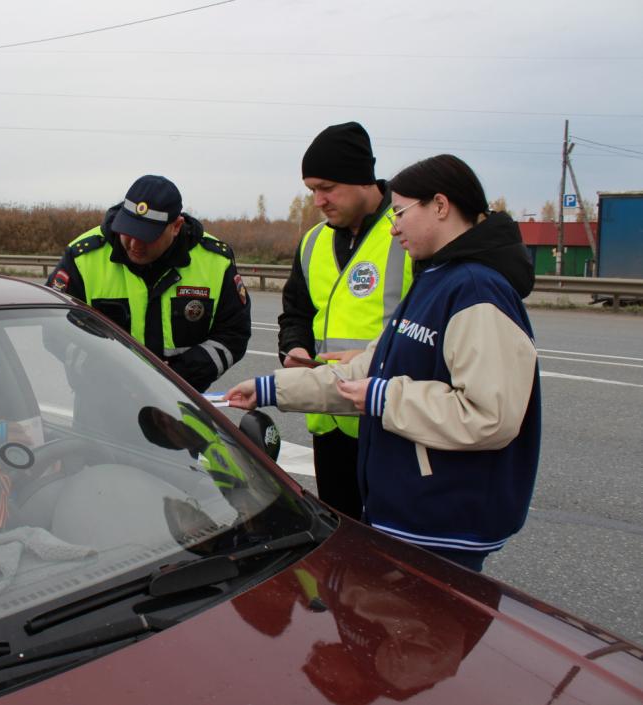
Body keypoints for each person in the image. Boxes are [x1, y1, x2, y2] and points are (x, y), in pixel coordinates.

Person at [227, 154, 541, 572]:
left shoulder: (476, 290)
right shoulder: (435, 278)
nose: (393, 228)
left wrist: (383, 398)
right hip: (410, 513)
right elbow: (369, 370)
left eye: (401, 213)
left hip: (443, 523)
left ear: (441, 206)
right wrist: (271, 388)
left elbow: (489, 414)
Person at [277, 122, 412, 519]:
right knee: (343, 536)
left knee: (391, 547)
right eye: (311, 190)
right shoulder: (314, 240)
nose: (318, 200)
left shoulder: (408, 232)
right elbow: (296, 312)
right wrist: (294, 347)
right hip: (330, 421)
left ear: (362, 178)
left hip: (388, 419)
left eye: (326, 187)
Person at [46, 174, 251, 392]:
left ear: (176, 226)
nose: (134, 244)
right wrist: (108, 371)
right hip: (100, 403)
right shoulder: (83, 258)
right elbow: (54, 329)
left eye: (147, 236)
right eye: (128, 231)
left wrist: (179, 376)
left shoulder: (215, 261)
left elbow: (233, 333)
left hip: (180, 403)